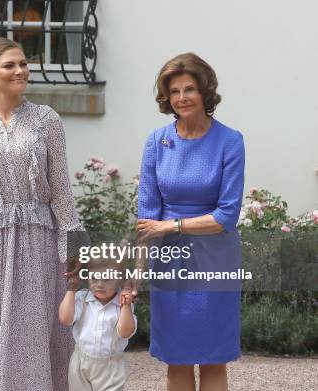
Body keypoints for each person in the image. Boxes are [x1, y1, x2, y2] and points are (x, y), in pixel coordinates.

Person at [0, 37, 82, 391]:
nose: (20, 70)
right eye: (10, 65)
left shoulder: (47, 120)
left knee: (42, 335)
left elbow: (61, 190)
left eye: (23, 63)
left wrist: (75, 249)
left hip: (40, 243)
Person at [136, 52, 245, 391]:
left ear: (205, 92)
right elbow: (147, 214)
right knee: (176, 356)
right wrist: (137, 270)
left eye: (190, 89)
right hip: (168, 262)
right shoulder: (157, 142)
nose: (182, 98)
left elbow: (226, 216)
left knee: (213, 357)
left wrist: (172, 226)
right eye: (174, 92)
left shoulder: (230, 141)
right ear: (167, 98)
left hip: (215, 261)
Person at [59, 258, 137, 391]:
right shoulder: (82, 298)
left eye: (107, 278)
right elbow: (65, 319)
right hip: (81, 363)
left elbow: (125, 332)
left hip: (111, 366)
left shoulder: (123, 305)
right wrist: (71, 288)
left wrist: (126, 306)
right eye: (94, 278)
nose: (100, 284)